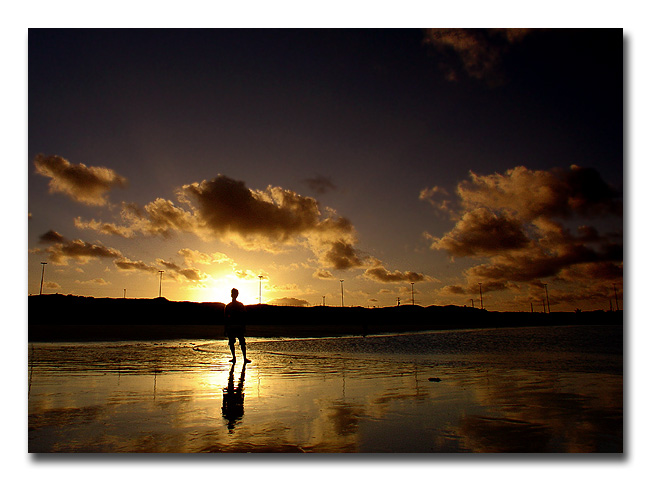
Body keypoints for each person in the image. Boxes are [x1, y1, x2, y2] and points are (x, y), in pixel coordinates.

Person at [224, 288, 250, 363]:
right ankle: (237, 358)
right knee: (234, 342)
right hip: (234, 327)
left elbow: (244, 316)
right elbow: (226, 318)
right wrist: (226, 329)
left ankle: (242, 358)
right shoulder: (230, 306)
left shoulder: (237, 305)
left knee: (240, 342)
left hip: (237, 327)